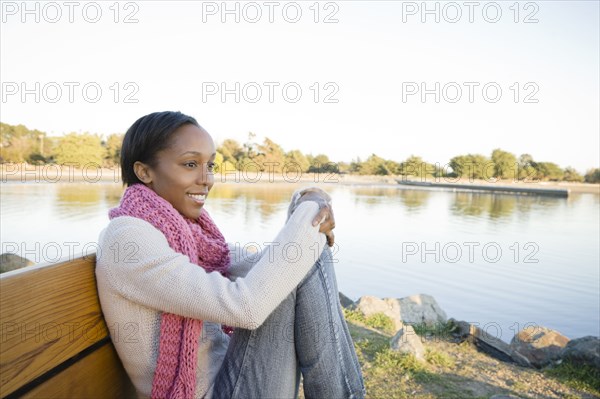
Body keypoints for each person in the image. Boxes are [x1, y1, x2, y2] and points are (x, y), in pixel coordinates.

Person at [95, 111, 365, 399]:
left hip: (231, 378)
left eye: (209, 165)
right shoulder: (128, 238)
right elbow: (246, 307)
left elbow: (259, 265)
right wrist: (311, 210)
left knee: (305, 250)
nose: (206, 179)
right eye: (190, 164)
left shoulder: (186, 231)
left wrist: (307, 200)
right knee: (304, 247)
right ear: (145, 171)